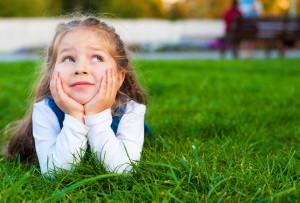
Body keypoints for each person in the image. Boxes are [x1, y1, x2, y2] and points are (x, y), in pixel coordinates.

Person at [5, 16, 147, 176]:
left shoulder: (131, 111)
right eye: (69, 58)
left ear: (119, 77)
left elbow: (122, 171)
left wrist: (96, 115)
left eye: (96, 58)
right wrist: (74, 117)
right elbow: (56, 174)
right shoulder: (45, 111)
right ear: (52, 74)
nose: (80, 68)